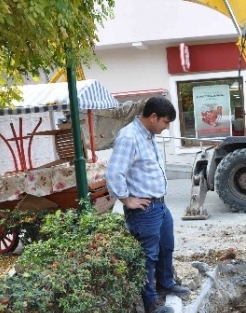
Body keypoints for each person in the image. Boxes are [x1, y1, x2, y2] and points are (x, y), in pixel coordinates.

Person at [106, 96, 190, 313]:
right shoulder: (129, 137)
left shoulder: (149, 135)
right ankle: (151, 305)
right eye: (165, 122)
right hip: (144, 210)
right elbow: (115, 172)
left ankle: (165, 283)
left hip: (159, 205)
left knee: (166, 246)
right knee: (148, 257)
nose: (167, 127)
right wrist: (126, 199)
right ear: (153, 117)